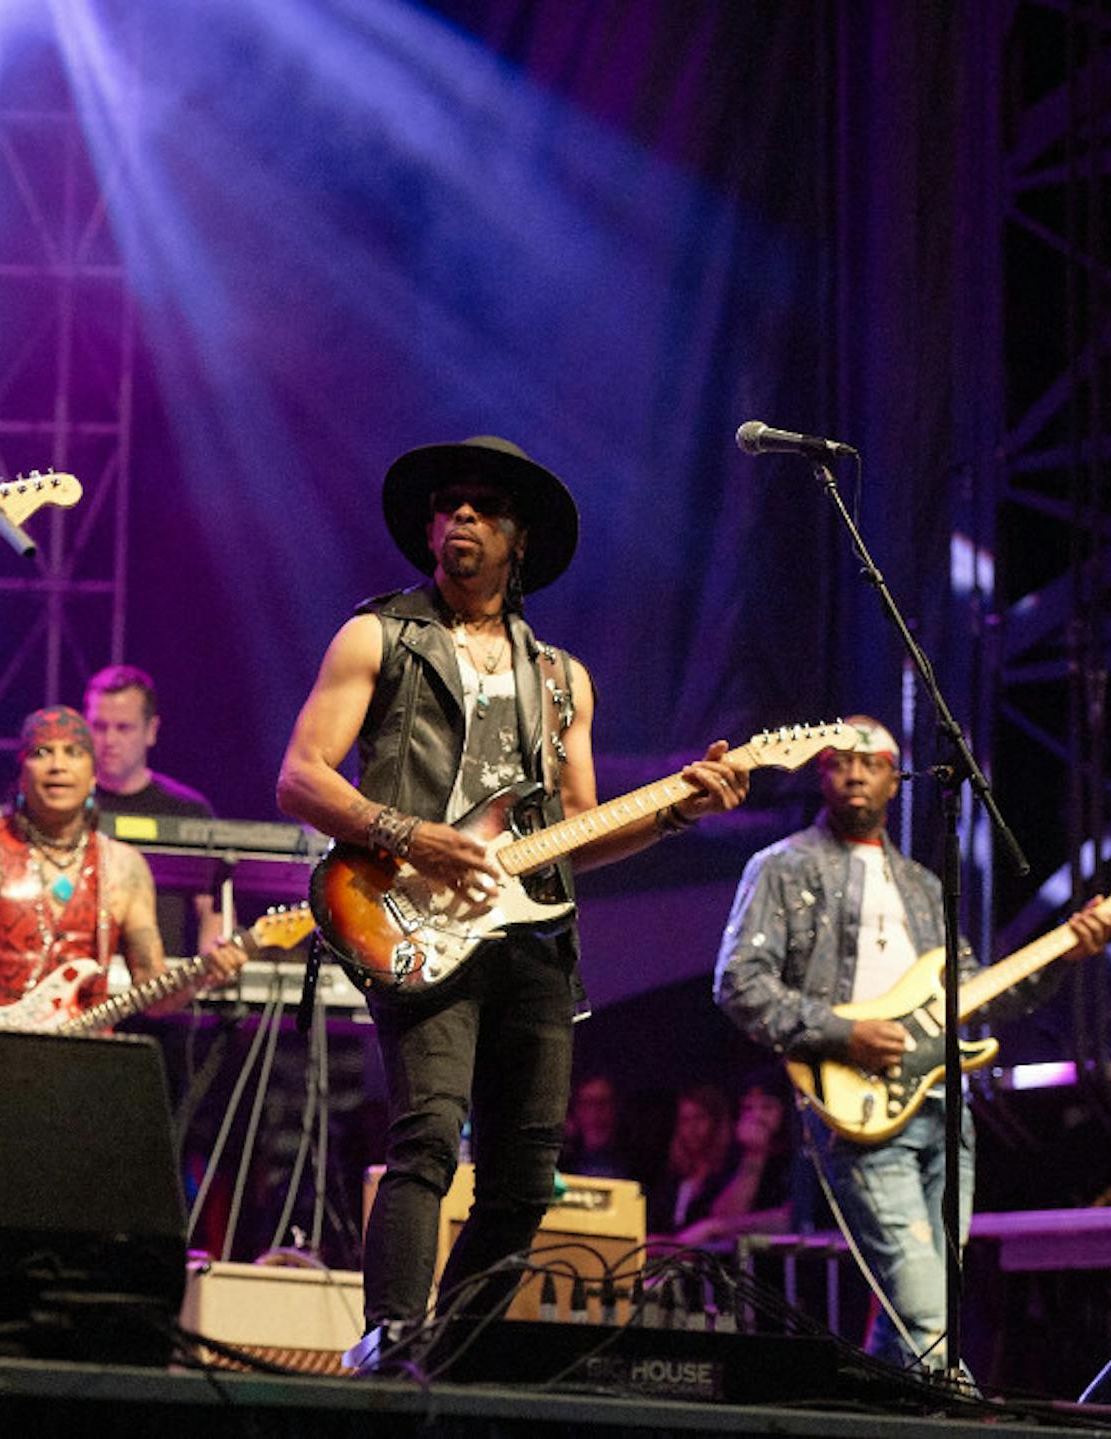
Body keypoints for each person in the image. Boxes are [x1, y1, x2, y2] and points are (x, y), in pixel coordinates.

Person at [275, 435, 751, 1367]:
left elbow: (579, 828)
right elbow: (299, 778)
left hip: (532, 937)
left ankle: (444, 1352)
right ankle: (389, 1340)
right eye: (448, 503)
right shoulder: (379, 635)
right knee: (424, 1136)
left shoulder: (563, 679)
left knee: (526, 1178)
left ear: (518, 539)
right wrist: (414, 836)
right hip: (409, 912)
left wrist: (673, 816)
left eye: (484, 507)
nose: (460, 517)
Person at [713, 717, 1111, 1368]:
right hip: (858, 1110)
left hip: (940, 1103)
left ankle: (885, 1412)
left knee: (919, 1312)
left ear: (894, 778)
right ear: (820, 771)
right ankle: (960, 1418)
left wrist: (1066, 951)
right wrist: (846, 1031)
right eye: (838, 759)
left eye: (869, 760)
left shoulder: (925, 887)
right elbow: (739, 982)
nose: (852, 771)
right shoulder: (783, 866)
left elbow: (979, 993)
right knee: (927, 1311)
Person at [0, 705, 243, 1022]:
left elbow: (153, 995)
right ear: (21, 771)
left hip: (83, 1068)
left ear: (93, 775)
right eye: (42, 752)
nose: (58, 765)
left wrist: (203, 972)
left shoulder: (123, 866)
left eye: (73, 752)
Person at [84, 664, 219, 954]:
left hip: (160, 986)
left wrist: (215, 949)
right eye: (99, 726)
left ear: (151, 730)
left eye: (123, 728)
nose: (109, 741)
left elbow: (212, 907)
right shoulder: (68, 804)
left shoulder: (186, 810)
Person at [673, 1072, 794, 1245]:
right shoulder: (733, 1158)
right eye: (748, 1108)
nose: (756, 1117)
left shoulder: (801, 1159)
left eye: (767, 1107)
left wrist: (716, 1226)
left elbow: (791, 1218)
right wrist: (754, 1155)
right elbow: (721, 1216)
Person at [646, 1083, 733, 1238]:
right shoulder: (672, 1180)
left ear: (716, 1122)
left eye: (699, 1118)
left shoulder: (727, 1176)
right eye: (685, 1120)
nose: (692, 1128)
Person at [557, 1073, 636, 1181]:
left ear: (616, 1107)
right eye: (587, 1104)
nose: (595, 1113)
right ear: (576, 1110)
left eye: (602, 1103)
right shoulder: (561, 1160)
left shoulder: (637, 1159)